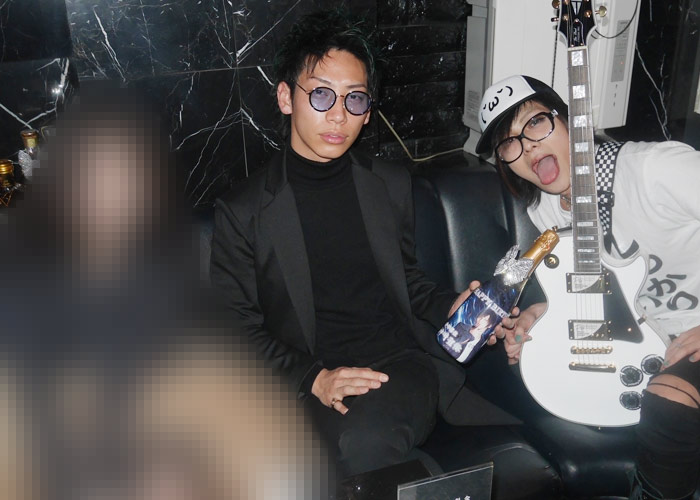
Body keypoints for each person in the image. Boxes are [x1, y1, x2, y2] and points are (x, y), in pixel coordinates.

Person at [210, 9, 517, 478]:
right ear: (286, 97)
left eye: (355, 98)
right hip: (312, 378)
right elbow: (235, 331)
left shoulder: (388, 184)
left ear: (368, 111)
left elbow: (407, 282)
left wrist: (451, 306)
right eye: (321, 95)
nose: (339, 114)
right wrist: (313, 378)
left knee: (364, 443)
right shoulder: (244, 212)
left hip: (399, 364)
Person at [477, 75, 700, 500]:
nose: (529, 148)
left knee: (670, 403)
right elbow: (603, 289)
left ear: (569, 120)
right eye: (509, 144)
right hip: (650, 341)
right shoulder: (547, 209)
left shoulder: (654, 170)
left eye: (536, 123)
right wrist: (541, 314)